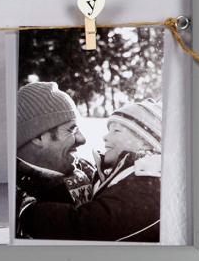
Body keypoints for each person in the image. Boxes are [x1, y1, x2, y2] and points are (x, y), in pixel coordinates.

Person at [16, 83, 162, 242]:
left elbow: (93, 225)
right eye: (71, 130)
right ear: (38, 137)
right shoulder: (16, 193)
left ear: (145, 142)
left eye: (117, 131)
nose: (82, 139)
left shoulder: (142, 177)